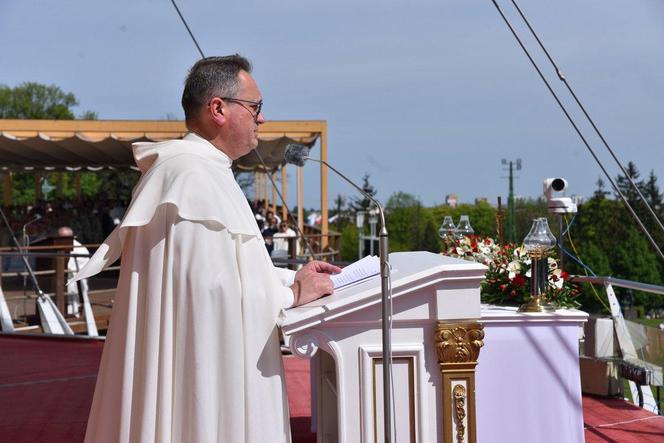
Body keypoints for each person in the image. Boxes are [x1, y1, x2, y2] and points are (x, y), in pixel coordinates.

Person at [73, 55, 340, 443]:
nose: (261, 119)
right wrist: (293, 295)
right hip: (204, 373)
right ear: (218, 108)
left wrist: (292, 277)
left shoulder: (203, 171)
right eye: (255, 108)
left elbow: (230, 267)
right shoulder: (190, 175)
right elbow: (212, 294)